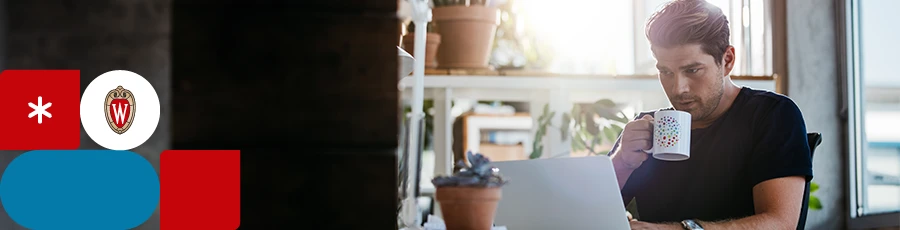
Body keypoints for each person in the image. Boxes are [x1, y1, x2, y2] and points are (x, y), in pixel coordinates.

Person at [608, 0, 813, 229]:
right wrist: (622, 162)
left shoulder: (771, 116)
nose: (678, 89)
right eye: (665, 72)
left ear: (727, 61)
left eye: (692, 70)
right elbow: (586, 215)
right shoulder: (648, 128)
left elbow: (780, 224)